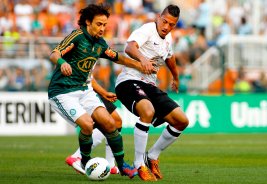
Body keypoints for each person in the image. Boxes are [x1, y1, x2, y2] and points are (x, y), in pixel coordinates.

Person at [48, 4, 156, 179]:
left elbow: (118, 58)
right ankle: (84, 160)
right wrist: (62, 63)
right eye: (99, 24)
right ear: (88, 22)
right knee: (87, 124)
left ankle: (122, 166)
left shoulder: (100, 44)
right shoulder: (77, 36)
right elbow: (54, 54)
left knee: (111, 123)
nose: (102, 28)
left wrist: (139, 65)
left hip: (84, 90)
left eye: (105, 25)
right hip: (62, 92)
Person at [115, 4, 189, 181]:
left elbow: (170, 58)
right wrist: (142, 58)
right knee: (148, 111)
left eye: (171, 24)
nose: (166, 27)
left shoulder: (168, 38)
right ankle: (139, 164)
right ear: (158, 17)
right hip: (129, 82)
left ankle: (152, 156)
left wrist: (176, 78)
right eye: (164, 22)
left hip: (149, 85)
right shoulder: (147, 29)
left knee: (181, 121)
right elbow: (129, 47)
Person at [65, 76, 122, 175]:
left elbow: (89, 76)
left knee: (115, 121)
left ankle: (110, 163)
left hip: (88, 89)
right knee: (109, 122)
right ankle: (78, 156)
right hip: (81, 91)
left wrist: (103, 93)